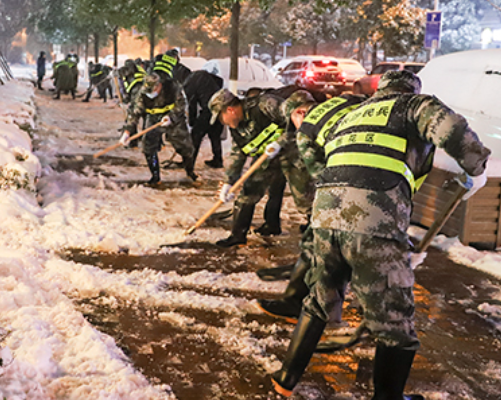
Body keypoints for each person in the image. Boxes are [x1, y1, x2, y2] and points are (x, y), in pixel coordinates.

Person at [270, 70, 491, 399]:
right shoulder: (412, 107)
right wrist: (477, 166)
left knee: (320, 297)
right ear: (409, 90)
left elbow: (316, 149)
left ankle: (286, 378)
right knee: (394, 318)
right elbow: (450, 128)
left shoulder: (353, 113)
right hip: (375, 217)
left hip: (327, 215)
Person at [257, 91, 367, 323]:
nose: (295, 128)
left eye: (293, 122)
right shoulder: (349, 104)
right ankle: (366, 308)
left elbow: (320, 176)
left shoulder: (307, 129)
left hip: (348, 190)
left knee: (323, 245)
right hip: (383, 184)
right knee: (365, 248)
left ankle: (300, 302)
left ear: (299, 113)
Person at [208, 88, 313, 247]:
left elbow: (296, 121)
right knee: (248, 192)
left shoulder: (265, 105)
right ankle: (238, 235)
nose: (223, 122)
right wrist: (229, 182)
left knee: (304, 196)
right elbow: (237, 154)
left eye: (221, 118)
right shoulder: (237, 128)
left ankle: (319, 234)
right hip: (266, 159)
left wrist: (280, 142)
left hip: (292, 154)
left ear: (230, 110)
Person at [121, 73, 198, 186]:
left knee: (185, 146)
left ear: (159, 85)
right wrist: (127, 131)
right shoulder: (142, 93)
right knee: (148, 146)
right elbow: (135, 113)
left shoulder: (172, 87)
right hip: (153, 118)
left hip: (173, 119)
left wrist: (171, 117)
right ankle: (155, 177)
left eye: (153, 90)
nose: (151, 93)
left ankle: (190, 172)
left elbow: (181, 104)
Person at [183, 70, 225, 168]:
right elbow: (220, 80)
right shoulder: (202, 74)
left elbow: (192, 104)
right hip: (220, 106)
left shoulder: (189, 84)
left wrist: (192, 122)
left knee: (195, 136)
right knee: (215, 135)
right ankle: (218, 160)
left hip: (209, 109)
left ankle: (189, 163)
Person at [118, 59, 147, 149]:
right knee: (148, 120)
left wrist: (125, 99)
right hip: (147, 96)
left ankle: (132, 141)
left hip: (137, 96)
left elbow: (125, 89)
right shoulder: (140, 70)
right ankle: (148, 142)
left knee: (132, 118)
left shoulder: (127, 74)